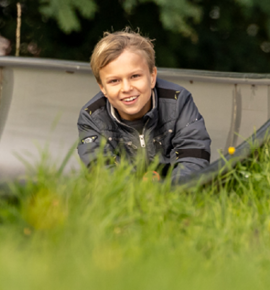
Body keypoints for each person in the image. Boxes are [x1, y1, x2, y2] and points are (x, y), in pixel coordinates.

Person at [76, 30, 214, 183]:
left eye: (135, 76)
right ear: (102, 87)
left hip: (174, 192)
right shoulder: (91, 116)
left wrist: (166, 191)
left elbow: (193, 157)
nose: (126, 88)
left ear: (152, 76)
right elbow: (100, 169)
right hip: (123, 199)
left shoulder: (178, 100)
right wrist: (139, 191)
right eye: (114, 81)